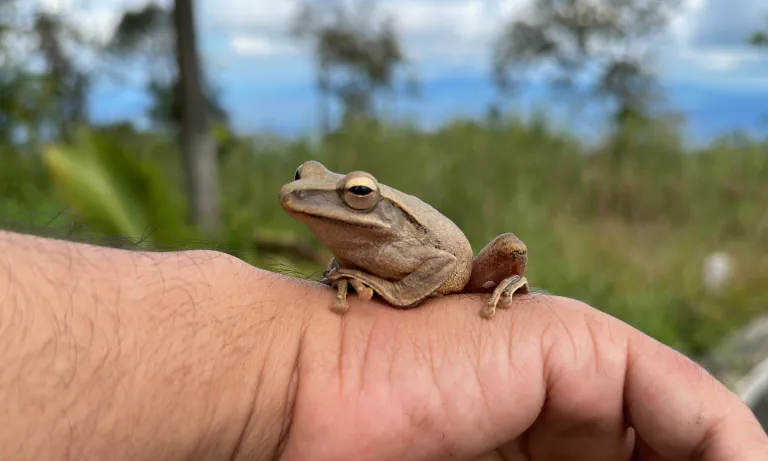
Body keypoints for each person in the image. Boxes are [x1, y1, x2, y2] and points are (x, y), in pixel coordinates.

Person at [0, 229, 766, 461]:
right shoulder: (350, 244)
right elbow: (347, 265)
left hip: (461, 268)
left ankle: (512, 287)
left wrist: (385, 300)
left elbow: (443, 266)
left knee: (507, 249)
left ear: (375, 208)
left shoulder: (410, 246)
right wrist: (307, 361)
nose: (324, 200)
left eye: (355, 196)